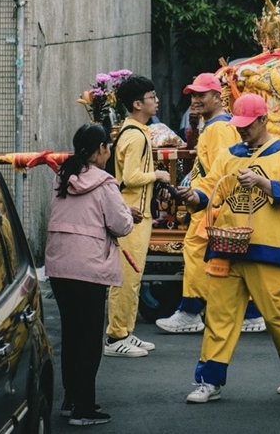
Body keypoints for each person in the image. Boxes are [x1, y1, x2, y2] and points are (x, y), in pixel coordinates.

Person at [178, 94, 280, 403]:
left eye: (248, 125)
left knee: (278, 312)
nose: (242, 131)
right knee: (219, 315)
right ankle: (208, 381)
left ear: (263, 120)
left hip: (269, 245)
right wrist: (194, 198)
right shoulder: (230, 154)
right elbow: (211, 188)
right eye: (238, 125)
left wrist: (262, 182)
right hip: (228, 244)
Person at [156, 73, 266, 335]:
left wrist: (210, 202)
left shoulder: (219, 129)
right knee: (225, 260)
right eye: (193, 95)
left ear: (218, 96)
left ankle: (192, 311)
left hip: (211, 204)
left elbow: (222, 171)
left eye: (201, 95)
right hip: (211, 202)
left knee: (197, 252)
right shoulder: (216, 125)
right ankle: (244, 313)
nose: (195, 100)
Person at [45, 124, 135, 426]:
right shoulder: (105, 183)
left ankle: (71, 400)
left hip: (59, 267)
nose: (109, 152)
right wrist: (128, 214)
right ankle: (84, 408)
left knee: (71, 336)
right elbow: (121, 225)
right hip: (89, 268)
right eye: (107, 147)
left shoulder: (63, 176)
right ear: (100, 149)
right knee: (88, 340)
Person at [104, 75, 169, 358]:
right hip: (131, 216)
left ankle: (126, 332)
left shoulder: (136, 131)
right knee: (126, 278)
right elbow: (130, 177)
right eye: (152, 97)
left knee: (134, 276)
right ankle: (115, 336)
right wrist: (158, 174)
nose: (156, 101)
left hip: (137, 216)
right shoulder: (134, 135)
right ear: (137, 103)